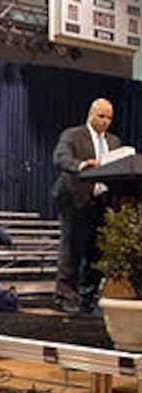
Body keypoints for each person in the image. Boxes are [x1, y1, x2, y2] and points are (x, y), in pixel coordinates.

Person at [52, 97, 120, 313]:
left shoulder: (114, 142)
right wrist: (81, 165)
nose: (105, 121)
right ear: (91, 114)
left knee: (97, 251)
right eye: (101, 116)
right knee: (72, 248)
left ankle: (87, 296)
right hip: (75, 199)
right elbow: (60, 158)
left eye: (109, 118)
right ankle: (65, 296)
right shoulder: (73, 135)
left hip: (102, 201)